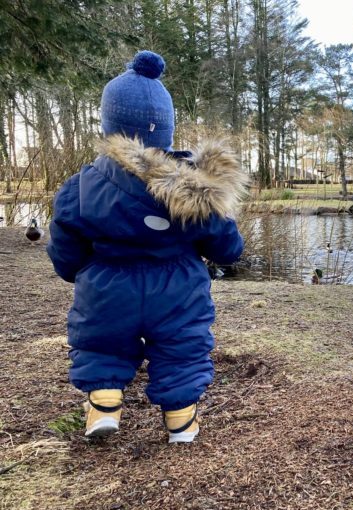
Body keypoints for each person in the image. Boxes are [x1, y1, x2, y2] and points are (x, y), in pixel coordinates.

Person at [46, 51, 247, 444]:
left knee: (102, 345)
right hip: (178, 289)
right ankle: (181, 424)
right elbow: (227, 248)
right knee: (181, 350)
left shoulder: (82, 184)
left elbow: (65, 247)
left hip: (106, 285)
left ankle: (103, 407)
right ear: (166, 131)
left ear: (111, 127)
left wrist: (80, 272)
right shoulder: (197, 187)